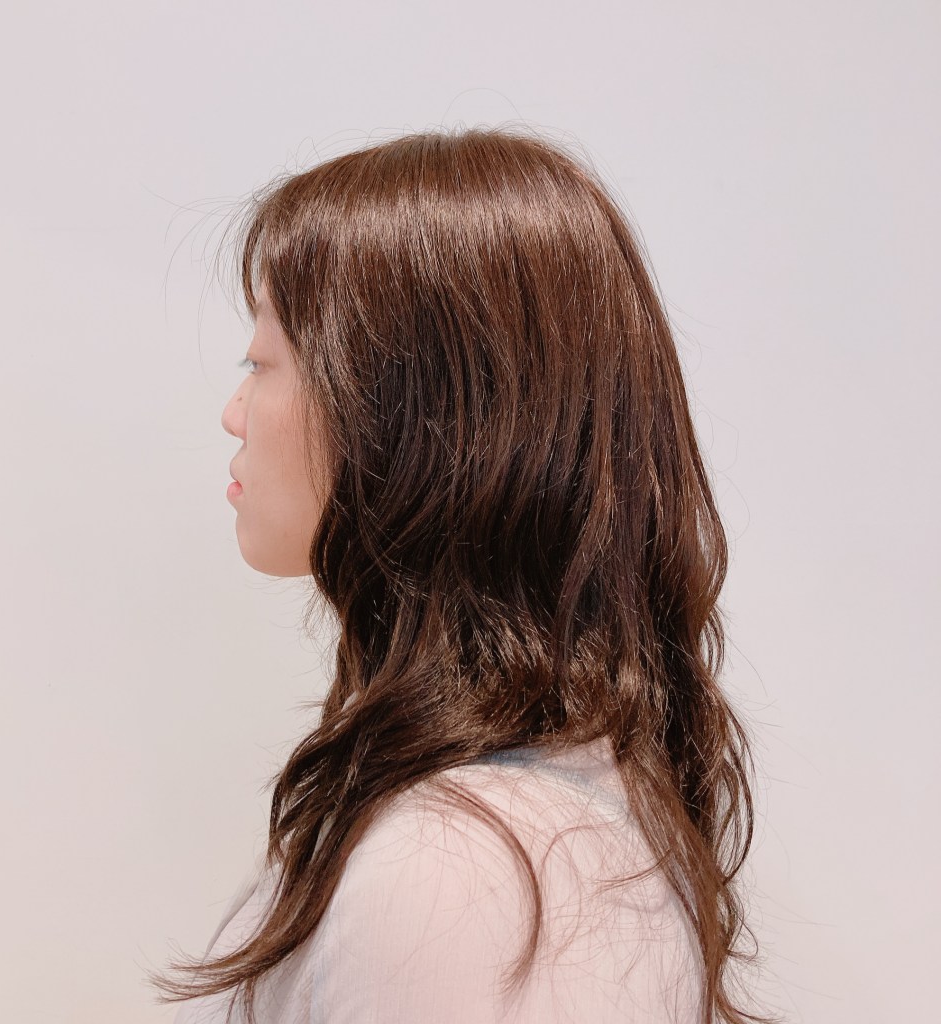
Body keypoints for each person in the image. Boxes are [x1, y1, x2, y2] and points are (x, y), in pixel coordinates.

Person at [146, 125, 765, 1024]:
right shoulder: (499, 839)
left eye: (262, 362)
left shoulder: (466, 877)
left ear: (399, 409)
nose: (235, 411)